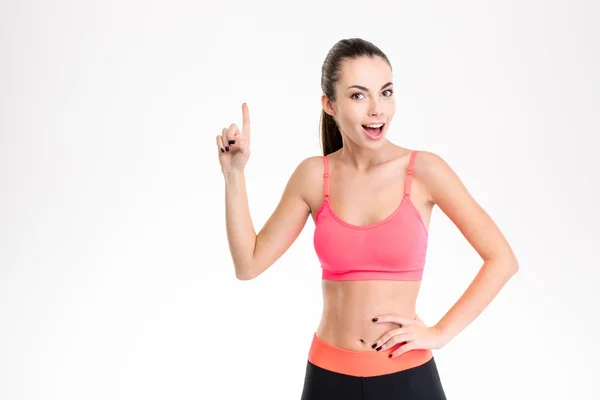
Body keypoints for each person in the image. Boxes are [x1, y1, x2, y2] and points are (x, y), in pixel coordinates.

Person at [217, 38, 519, 399]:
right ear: (329, 104)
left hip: (407, 377)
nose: (377, 109)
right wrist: (234, 175)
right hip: (328, 378)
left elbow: (502, 260)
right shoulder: (314, 176)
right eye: (359, 96)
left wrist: (440, 333)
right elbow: (248, 264)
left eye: (386, 92)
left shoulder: (423, 170)